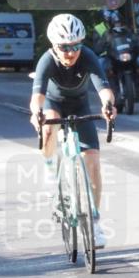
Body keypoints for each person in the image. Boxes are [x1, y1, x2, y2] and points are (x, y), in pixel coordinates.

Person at [28, 13, 117, 248]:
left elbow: (104, 89)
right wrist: (36, 113)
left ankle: (95, 223)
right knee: (50, 122)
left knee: (93, 163)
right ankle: (51, 174)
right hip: (53, 105)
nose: (70, 52)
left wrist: (108, 106)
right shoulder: (47, 60)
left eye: (75, 45)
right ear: (54, 46)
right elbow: (37, 97)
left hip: (80, 106)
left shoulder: (88, 56)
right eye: (64, 47)